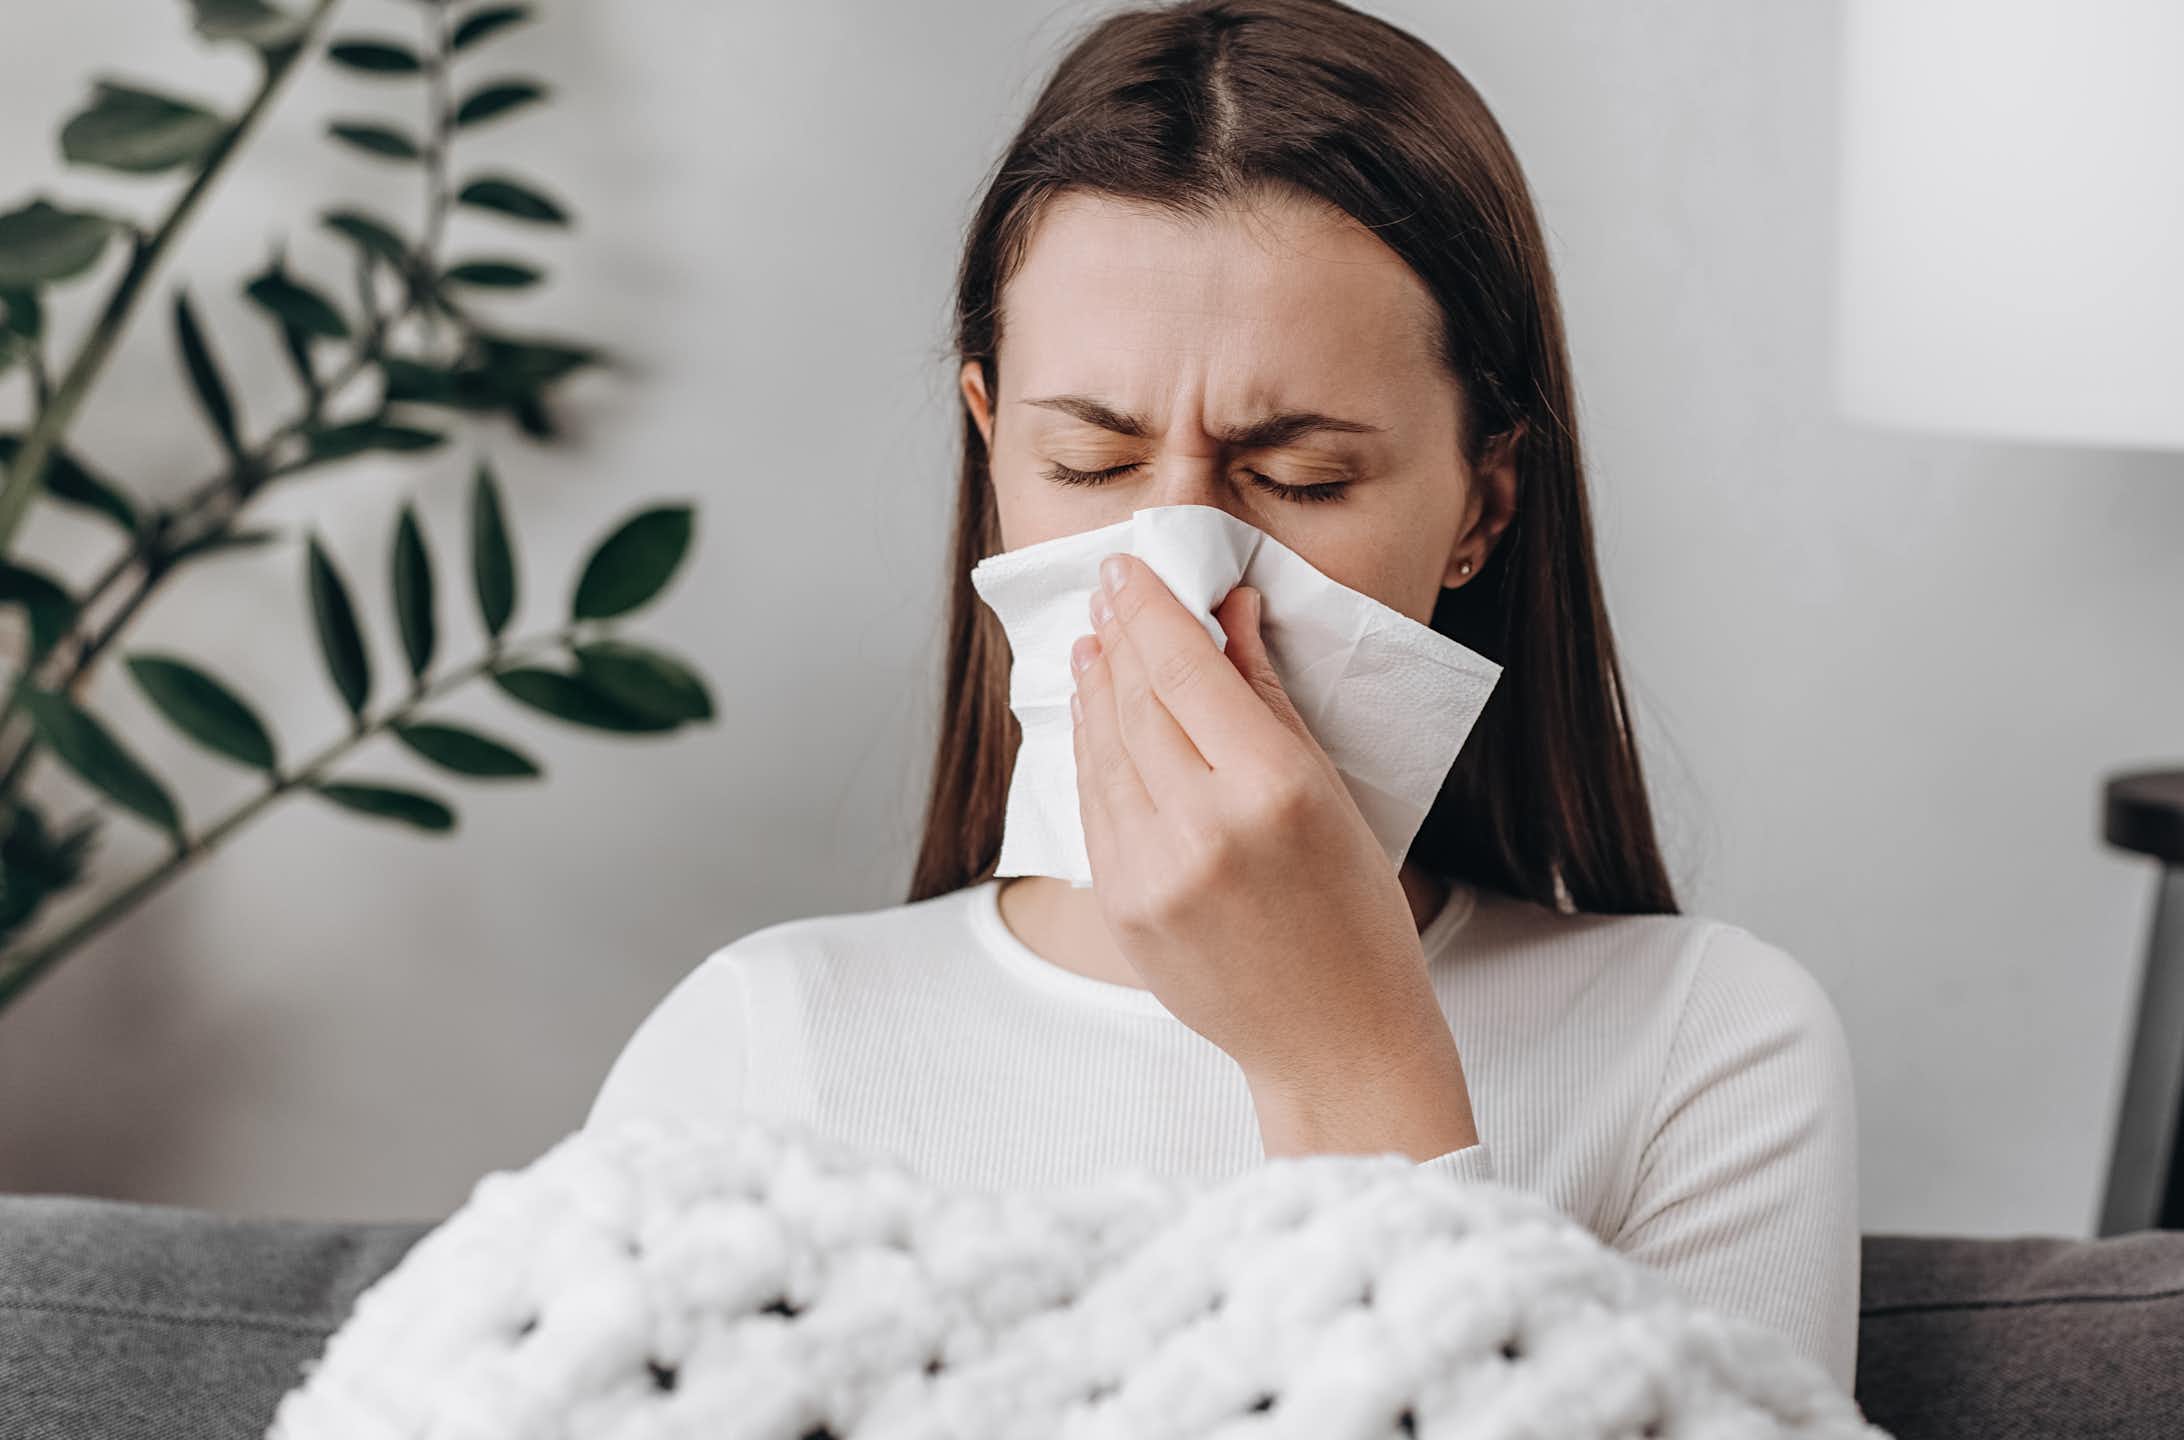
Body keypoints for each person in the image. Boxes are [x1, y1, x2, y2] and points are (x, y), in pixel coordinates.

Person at [587, 0, 1861, 1393]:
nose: (1182, 586)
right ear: (992, 457)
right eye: (1087, 462)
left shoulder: (1701, 1049)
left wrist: (1351, 1067)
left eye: (1301, 478)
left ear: (1481, 504)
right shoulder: (766, 1047)